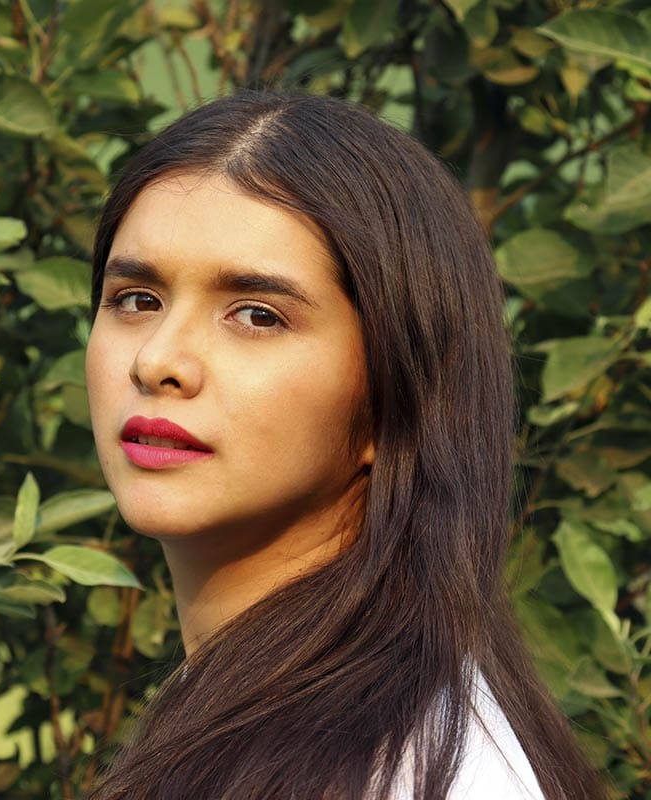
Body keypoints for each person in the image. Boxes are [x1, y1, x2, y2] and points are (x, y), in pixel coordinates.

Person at [83, 88, 607, 800]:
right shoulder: (254, 713)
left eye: (256, 315)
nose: (157, 361)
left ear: (394, 394)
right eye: (137, 300)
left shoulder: (408, 770)